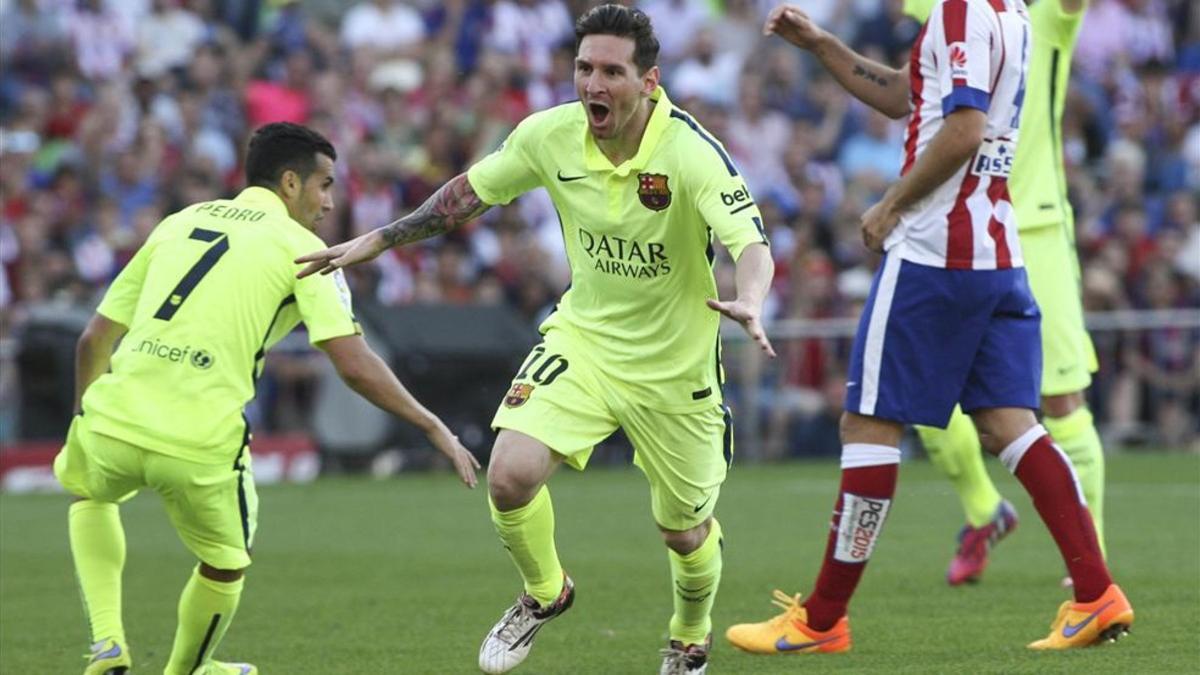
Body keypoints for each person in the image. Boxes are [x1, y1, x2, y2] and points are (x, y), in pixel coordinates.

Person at [295, 5, 775, 673]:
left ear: (649, 81)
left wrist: (750, 299)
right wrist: (375, 240)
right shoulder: (549, 136)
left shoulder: (689, 151)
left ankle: (689, 635)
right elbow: (464, 197)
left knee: (684, 530)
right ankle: (546, 592)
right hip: (586, 340)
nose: (594, 85)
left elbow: (749, 242)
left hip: (676, 367)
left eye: (613, 71)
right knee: (510, 474)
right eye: (584, 68)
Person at [724, 1, 1132, 656]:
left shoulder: (961, 10)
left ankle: (822, 618)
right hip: (997, 248)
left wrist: (891, 206)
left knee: (867, 424)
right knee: (1011, 423)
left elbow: (965, 127)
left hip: (935, 252)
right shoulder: (1010, 13)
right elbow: (906, 96)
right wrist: (824, 46)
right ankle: (1096, 593)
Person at [56, 122, 480, 675]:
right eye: (324, 185)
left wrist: (87, 414)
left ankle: (108, 646)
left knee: (92, 498)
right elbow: (352, 363)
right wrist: (432, 427)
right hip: (200, 439)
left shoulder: (180, 222)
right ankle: (186, 670)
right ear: (288, 183)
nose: (330, 203)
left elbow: (94, 339)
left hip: (113, 416)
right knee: (226, 564)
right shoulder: (305, 248)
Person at [902, 0, 1107, 588]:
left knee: (1062, 398)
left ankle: (1091, 563)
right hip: (954, 219)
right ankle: (984, 510)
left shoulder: (1047, 15)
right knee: (921, 394)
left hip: (1034, 224)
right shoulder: (947, 10)